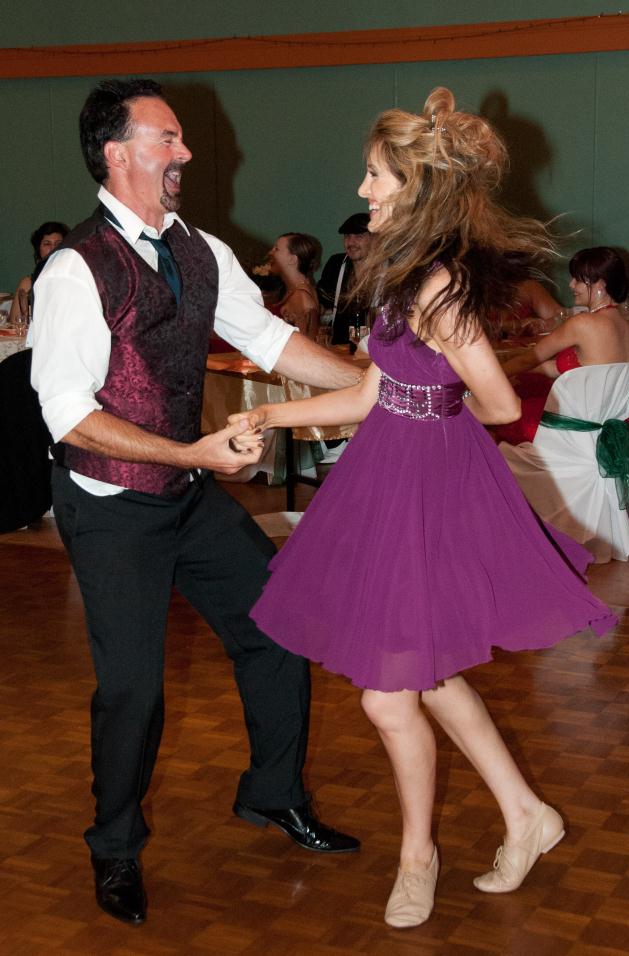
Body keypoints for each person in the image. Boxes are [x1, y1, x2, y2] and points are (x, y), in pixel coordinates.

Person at [231, 87, 618, 929]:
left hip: (424, 485)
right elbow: (367, 393)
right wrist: (268, 417)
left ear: (414, 186)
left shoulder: (438, 288)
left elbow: (492, 401)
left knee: (387, 695)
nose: (362, 189)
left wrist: (430, 412)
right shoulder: (402, 275)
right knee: (427, 676)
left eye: (374, 175)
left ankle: (418, 857)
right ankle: (525, 814)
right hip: (387, 475)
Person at [30, 78, 360, 927]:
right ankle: (114, 847)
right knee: (132, 690)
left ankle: (273, 794)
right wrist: (190, 454)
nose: (185, 152)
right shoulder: (74, 268)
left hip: (186, 490)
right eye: (167, 138)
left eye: (180, 138)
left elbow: (271, 340)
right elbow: (67, 414)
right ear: (116, 153)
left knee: (277, 627)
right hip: (110, 504)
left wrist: (375, 388)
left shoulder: (202, 249)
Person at [496, 247, 629, 444]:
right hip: (607, 423)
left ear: (600, 284)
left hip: (578, 426)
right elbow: (585, 370)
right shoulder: (625, 326)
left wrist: (489, 378)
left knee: (502, 417)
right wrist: (526, 371)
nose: (571, 284)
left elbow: (528, 359)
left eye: (578, 279)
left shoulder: (582, 323)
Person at [317, 212, 372, 345]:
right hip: (339, 345)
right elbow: (321, 302)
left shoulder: (388, 270)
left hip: (374, 347)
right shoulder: (336, 264)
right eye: (347, 236)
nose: (351, 242)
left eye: (359, 236)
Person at [8, 221, 69, 326]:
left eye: (58, 244)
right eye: (47, 244)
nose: (53, 249)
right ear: (38, 250)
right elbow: (15, 324)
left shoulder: (74, 280)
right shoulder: (28, 284)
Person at [267, 232, 321, 339]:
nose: (270, 253)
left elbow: (307, 342)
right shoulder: (293, 290)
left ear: (292, 260)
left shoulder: (302, 296)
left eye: (276, 249)